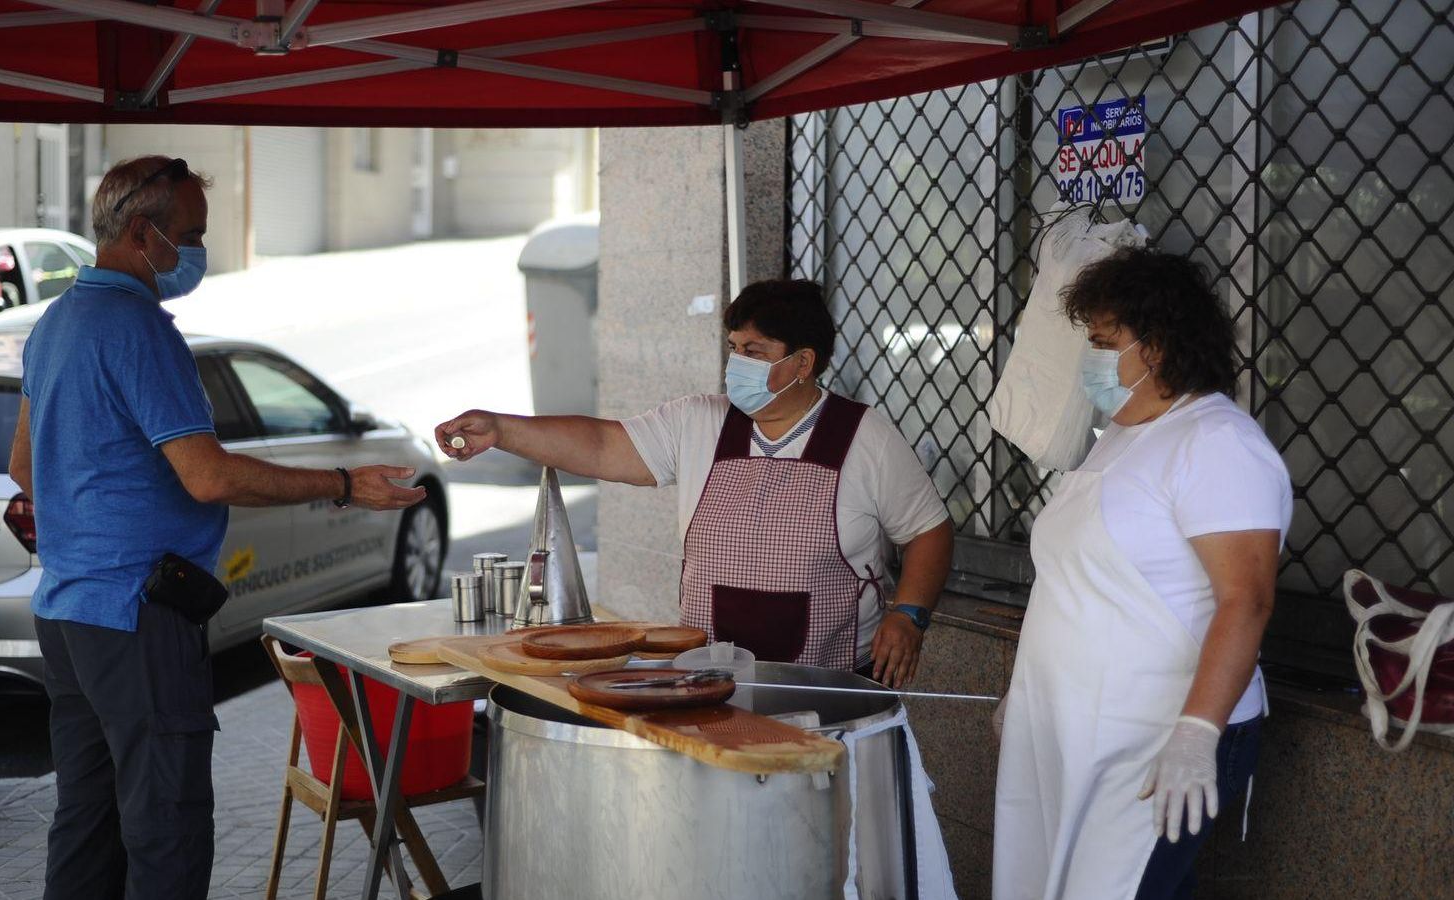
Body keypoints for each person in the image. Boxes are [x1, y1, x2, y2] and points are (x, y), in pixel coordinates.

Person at [8, 155, 427, 900]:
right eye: (191, 235)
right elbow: (207, 474)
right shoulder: (140, 330)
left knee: (86, 821)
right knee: (164, 828)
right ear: (143, 234)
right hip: (136, 616)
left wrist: (95, 505)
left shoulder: (55, 324)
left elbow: (24, 467)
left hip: (66, 614)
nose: (198, 253)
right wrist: (341, 483)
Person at [437, 279, 953, 687]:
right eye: (734, 347)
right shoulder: (698, 422)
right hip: (709, 680)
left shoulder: (864, 438)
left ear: (803, 362)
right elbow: (598, 444)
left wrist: (908, 614)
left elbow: (929, 530)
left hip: (825, 685)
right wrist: (502, 429)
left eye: (755, 349)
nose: (737, 363)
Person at [992, 248, 1292, 900]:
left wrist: (1196, 735)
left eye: (1104, 341)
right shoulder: (1122, 437)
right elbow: (1076, 583)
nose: (1090, 357)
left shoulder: (1216, 443)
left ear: (1156, 347)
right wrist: (1030, 689)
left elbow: (1247, 599)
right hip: (1078, 734)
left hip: (1159, 741)